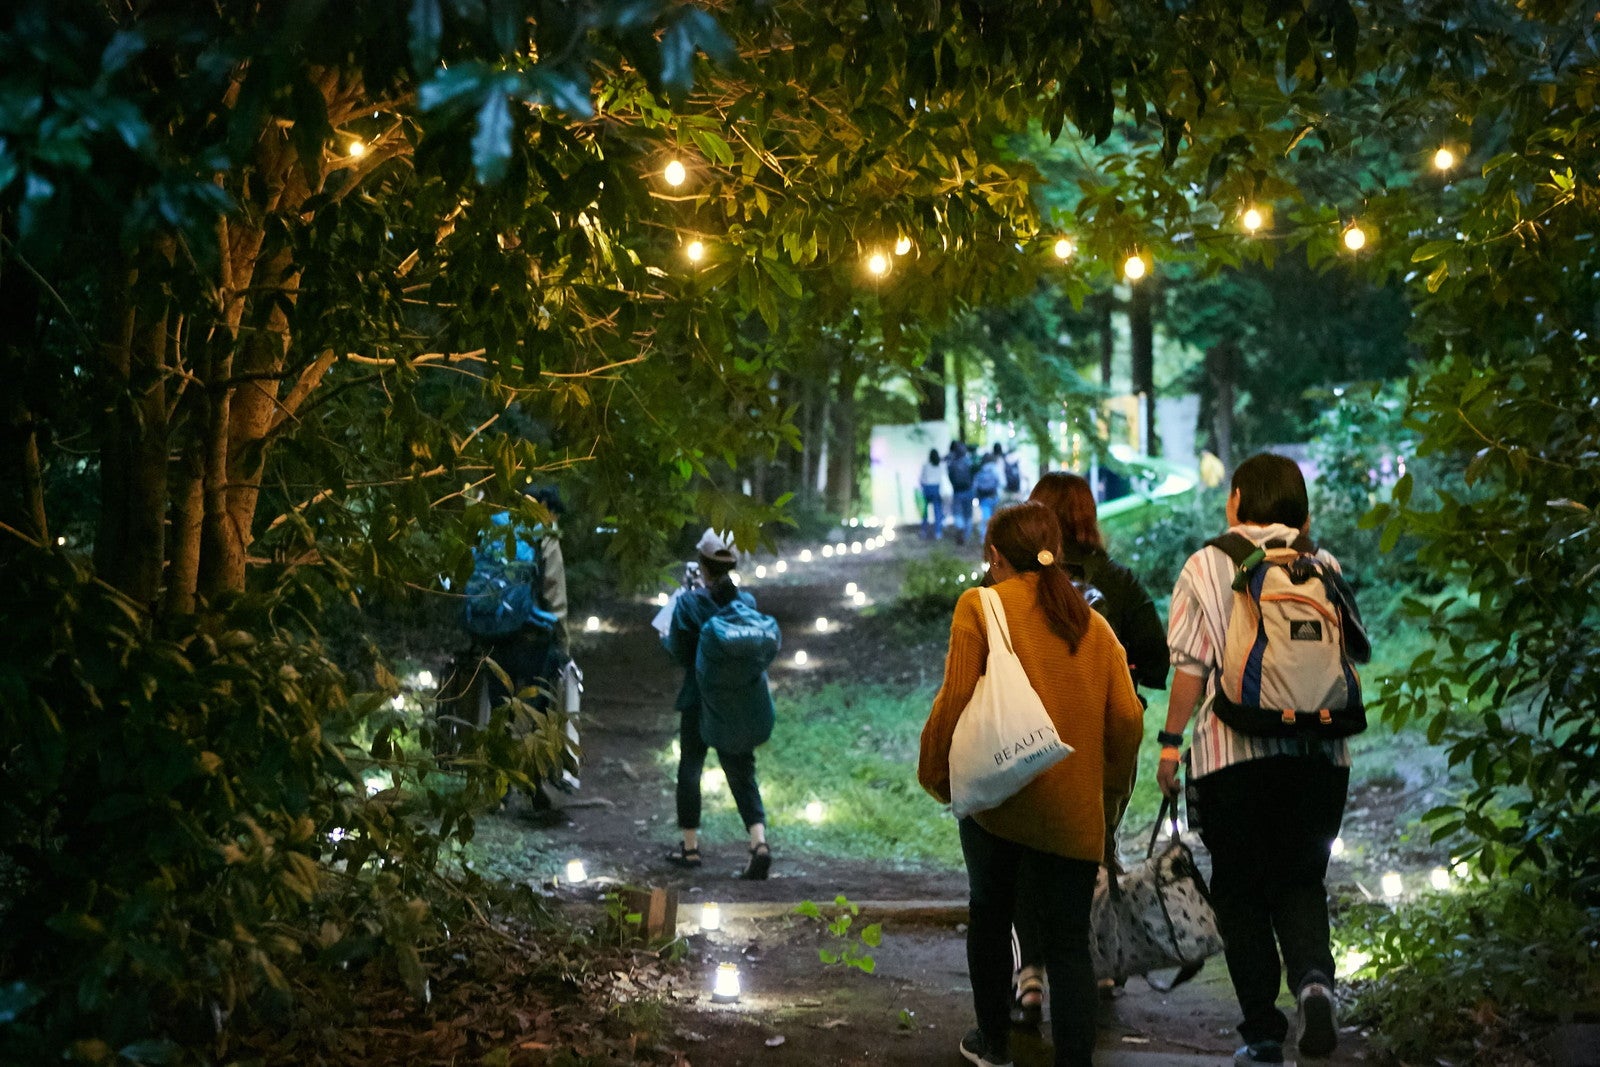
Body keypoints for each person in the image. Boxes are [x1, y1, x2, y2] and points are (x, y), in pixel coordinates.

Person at [919, 502, 1144, 1067]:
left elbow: (953, 703)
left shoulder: (981, 606)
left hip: (998, 803)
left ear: (995, 557)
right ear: (1057, 554)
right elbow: (1127, 721)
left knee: (990, 918)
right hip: (1073, 815)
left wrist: (937, 775)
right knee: (1069, 943)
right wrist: (1107, 795)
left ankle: (994, 1043)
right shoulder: (1095, 627)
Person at [1156, 453, 1349, 1065]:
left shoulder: (1207, 564)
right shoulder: (1324, 564)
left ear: (1236, 500)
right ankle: (1315, 983)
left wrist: (1168, 741)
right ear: (1300, 506)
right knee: (1301, 878)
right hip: (1320, 756)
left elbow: (1189, 669)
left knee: (1239, 890)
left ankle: (1264, 1032)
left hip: (1231, 760)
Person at [1007, 471, 1171, 1020]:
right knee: (1094, 848)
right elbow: (1158, 661)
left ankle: (1030, 975)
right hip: (1100, 739)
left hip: (1026, 736)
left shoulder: (1014, 586)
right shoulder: (1118, 583)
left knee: (1027, 849)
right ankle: (1097, 966)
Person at [662, 528, 772, 880]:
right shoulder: (747, 605)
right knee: (742, 771)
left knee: (690, 770)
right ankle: (759, 842)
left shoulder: (688, 604)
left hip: (698, 699)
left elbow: (678, 651)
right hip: (736, 702)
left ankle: (690, 848)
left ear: (702, 566)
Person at [946, 441, 976, 545]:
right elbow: (973, 474)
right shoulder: (969, 461)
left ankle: (960, 527)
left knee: (958, 513)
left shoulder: (952, 463)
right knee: (968, 514)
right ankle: (966, 535)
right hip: (968, 491)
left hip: (957, 491)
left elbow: (950, 476)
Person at [973, 446, 1003, 536]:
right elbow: (1001, 482)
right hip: (994, 496)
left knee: (986, 518)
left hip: (983, 498)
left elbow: (975, 485)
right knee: (995, 518)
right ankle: (995, 536)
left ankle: (985, 538)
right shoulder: (995, 469)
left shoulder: (980, 470)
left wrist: (976, 496)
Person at [919, 448, 947, 540]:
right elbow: (944, 479)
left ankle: (923, 530)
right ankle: (938, 532)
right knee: (937, 511)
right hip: (937, 489)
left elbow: (921, 479)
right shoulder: (941, 466)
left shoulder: (925, 466)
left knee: (924, 511)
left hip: (927, 489)